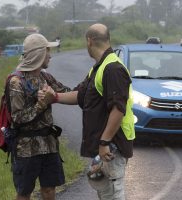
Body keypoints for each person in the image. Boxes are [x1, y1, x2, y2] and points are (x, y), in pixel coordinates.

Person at [41, 23, 135, 200]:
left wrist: (104, 141)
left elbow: (118, 110)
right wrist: (54, 97)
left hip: (112, 147)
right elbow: (81, 95)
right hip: (106, 147)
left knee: (113, 195)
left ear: (89, 41)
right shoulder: (98, 67)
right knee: (105, 193)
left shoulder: (113, 69)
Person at [8, 33, 71, 200]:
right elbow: (18, 118)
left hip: (49, 145)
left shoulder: (46, 77)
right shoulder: (16, 82)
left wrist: (91, 85)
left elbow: (67, 92)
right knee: (24, 194)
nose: (50, 56)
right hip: (26, 149)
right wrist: (42, 104)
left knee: (50, 190)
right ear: (38, 54)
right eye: (47, 51)